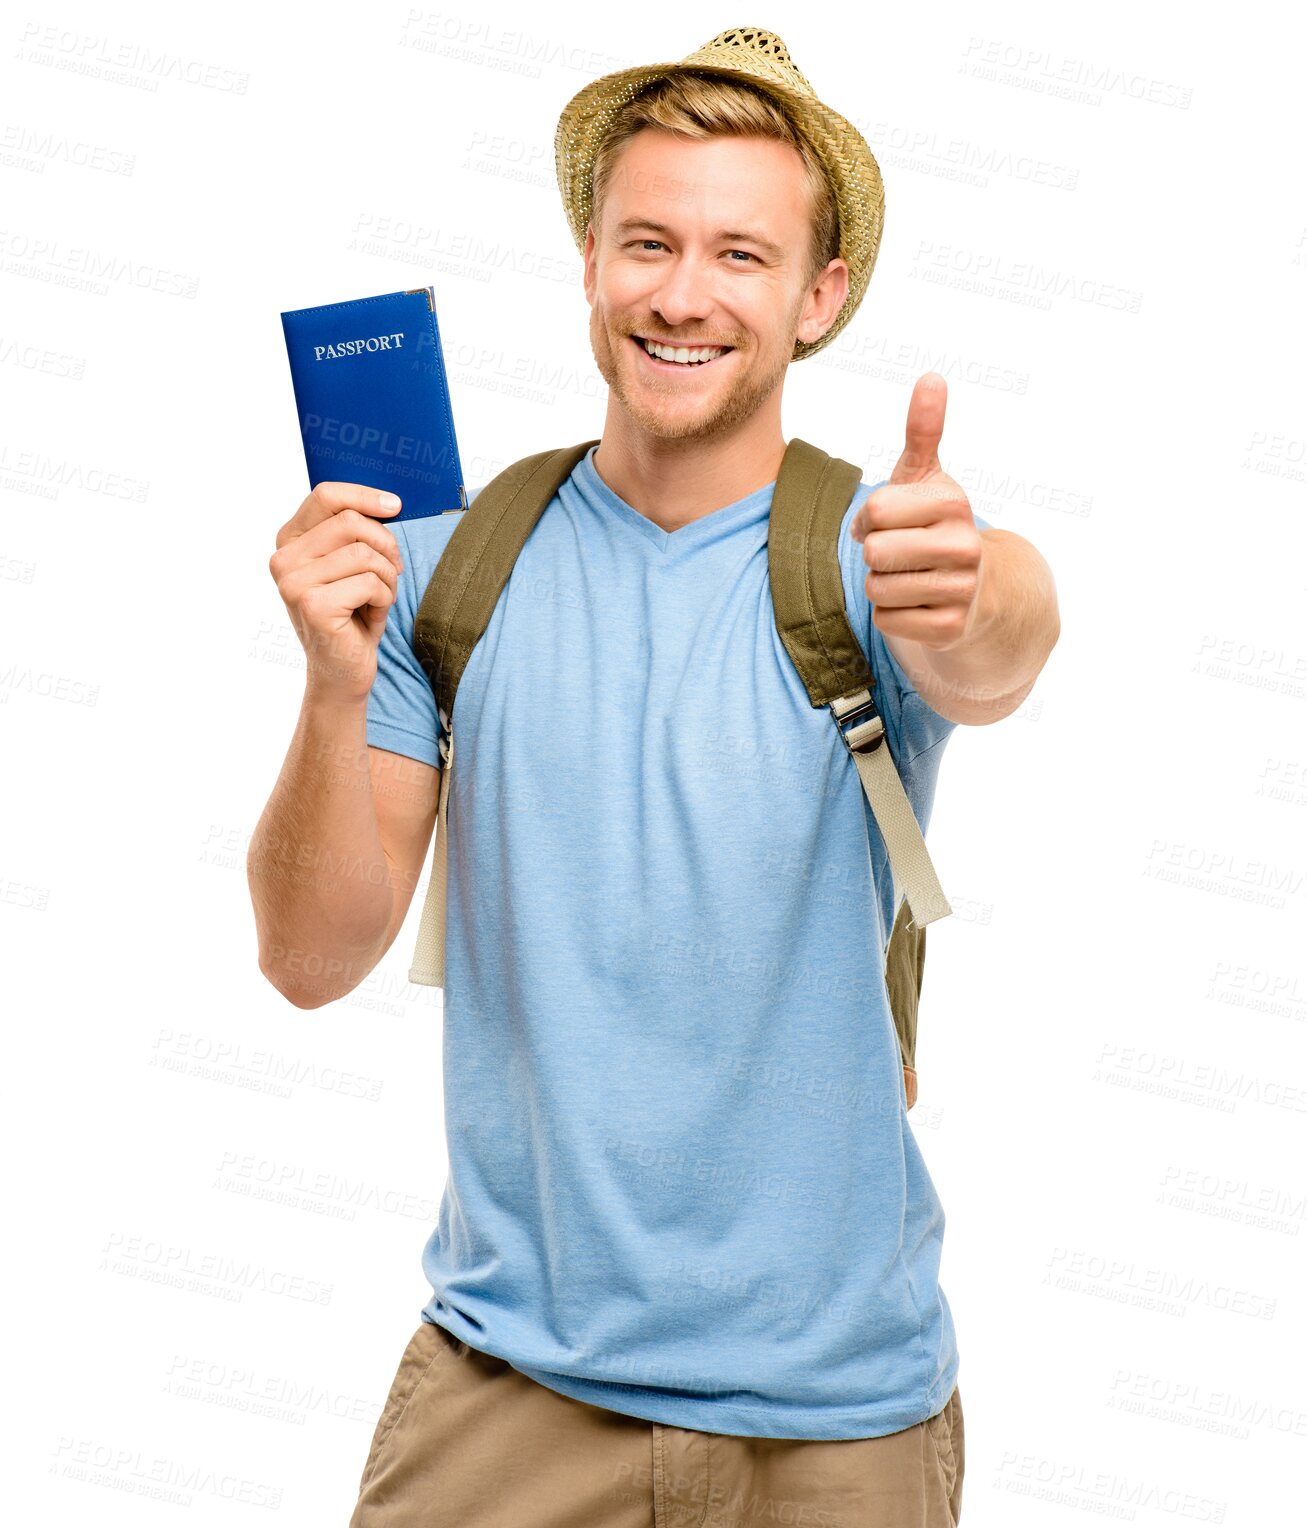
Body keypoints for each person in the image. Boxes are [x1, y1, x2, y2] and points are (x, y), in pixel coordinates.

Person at [248, 26, 1059, 1528]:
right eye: (649, 242)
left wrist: (985, 588)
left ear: (818, 297)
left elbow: (1001, 645)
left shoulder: (880, 564)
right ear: (589, 262)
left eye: (741, 253)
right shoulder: (447, 566)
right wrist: (333, 681)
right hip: (509, 1394)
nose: (684, 294)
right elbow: (307, 958)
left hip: (838, 1425)